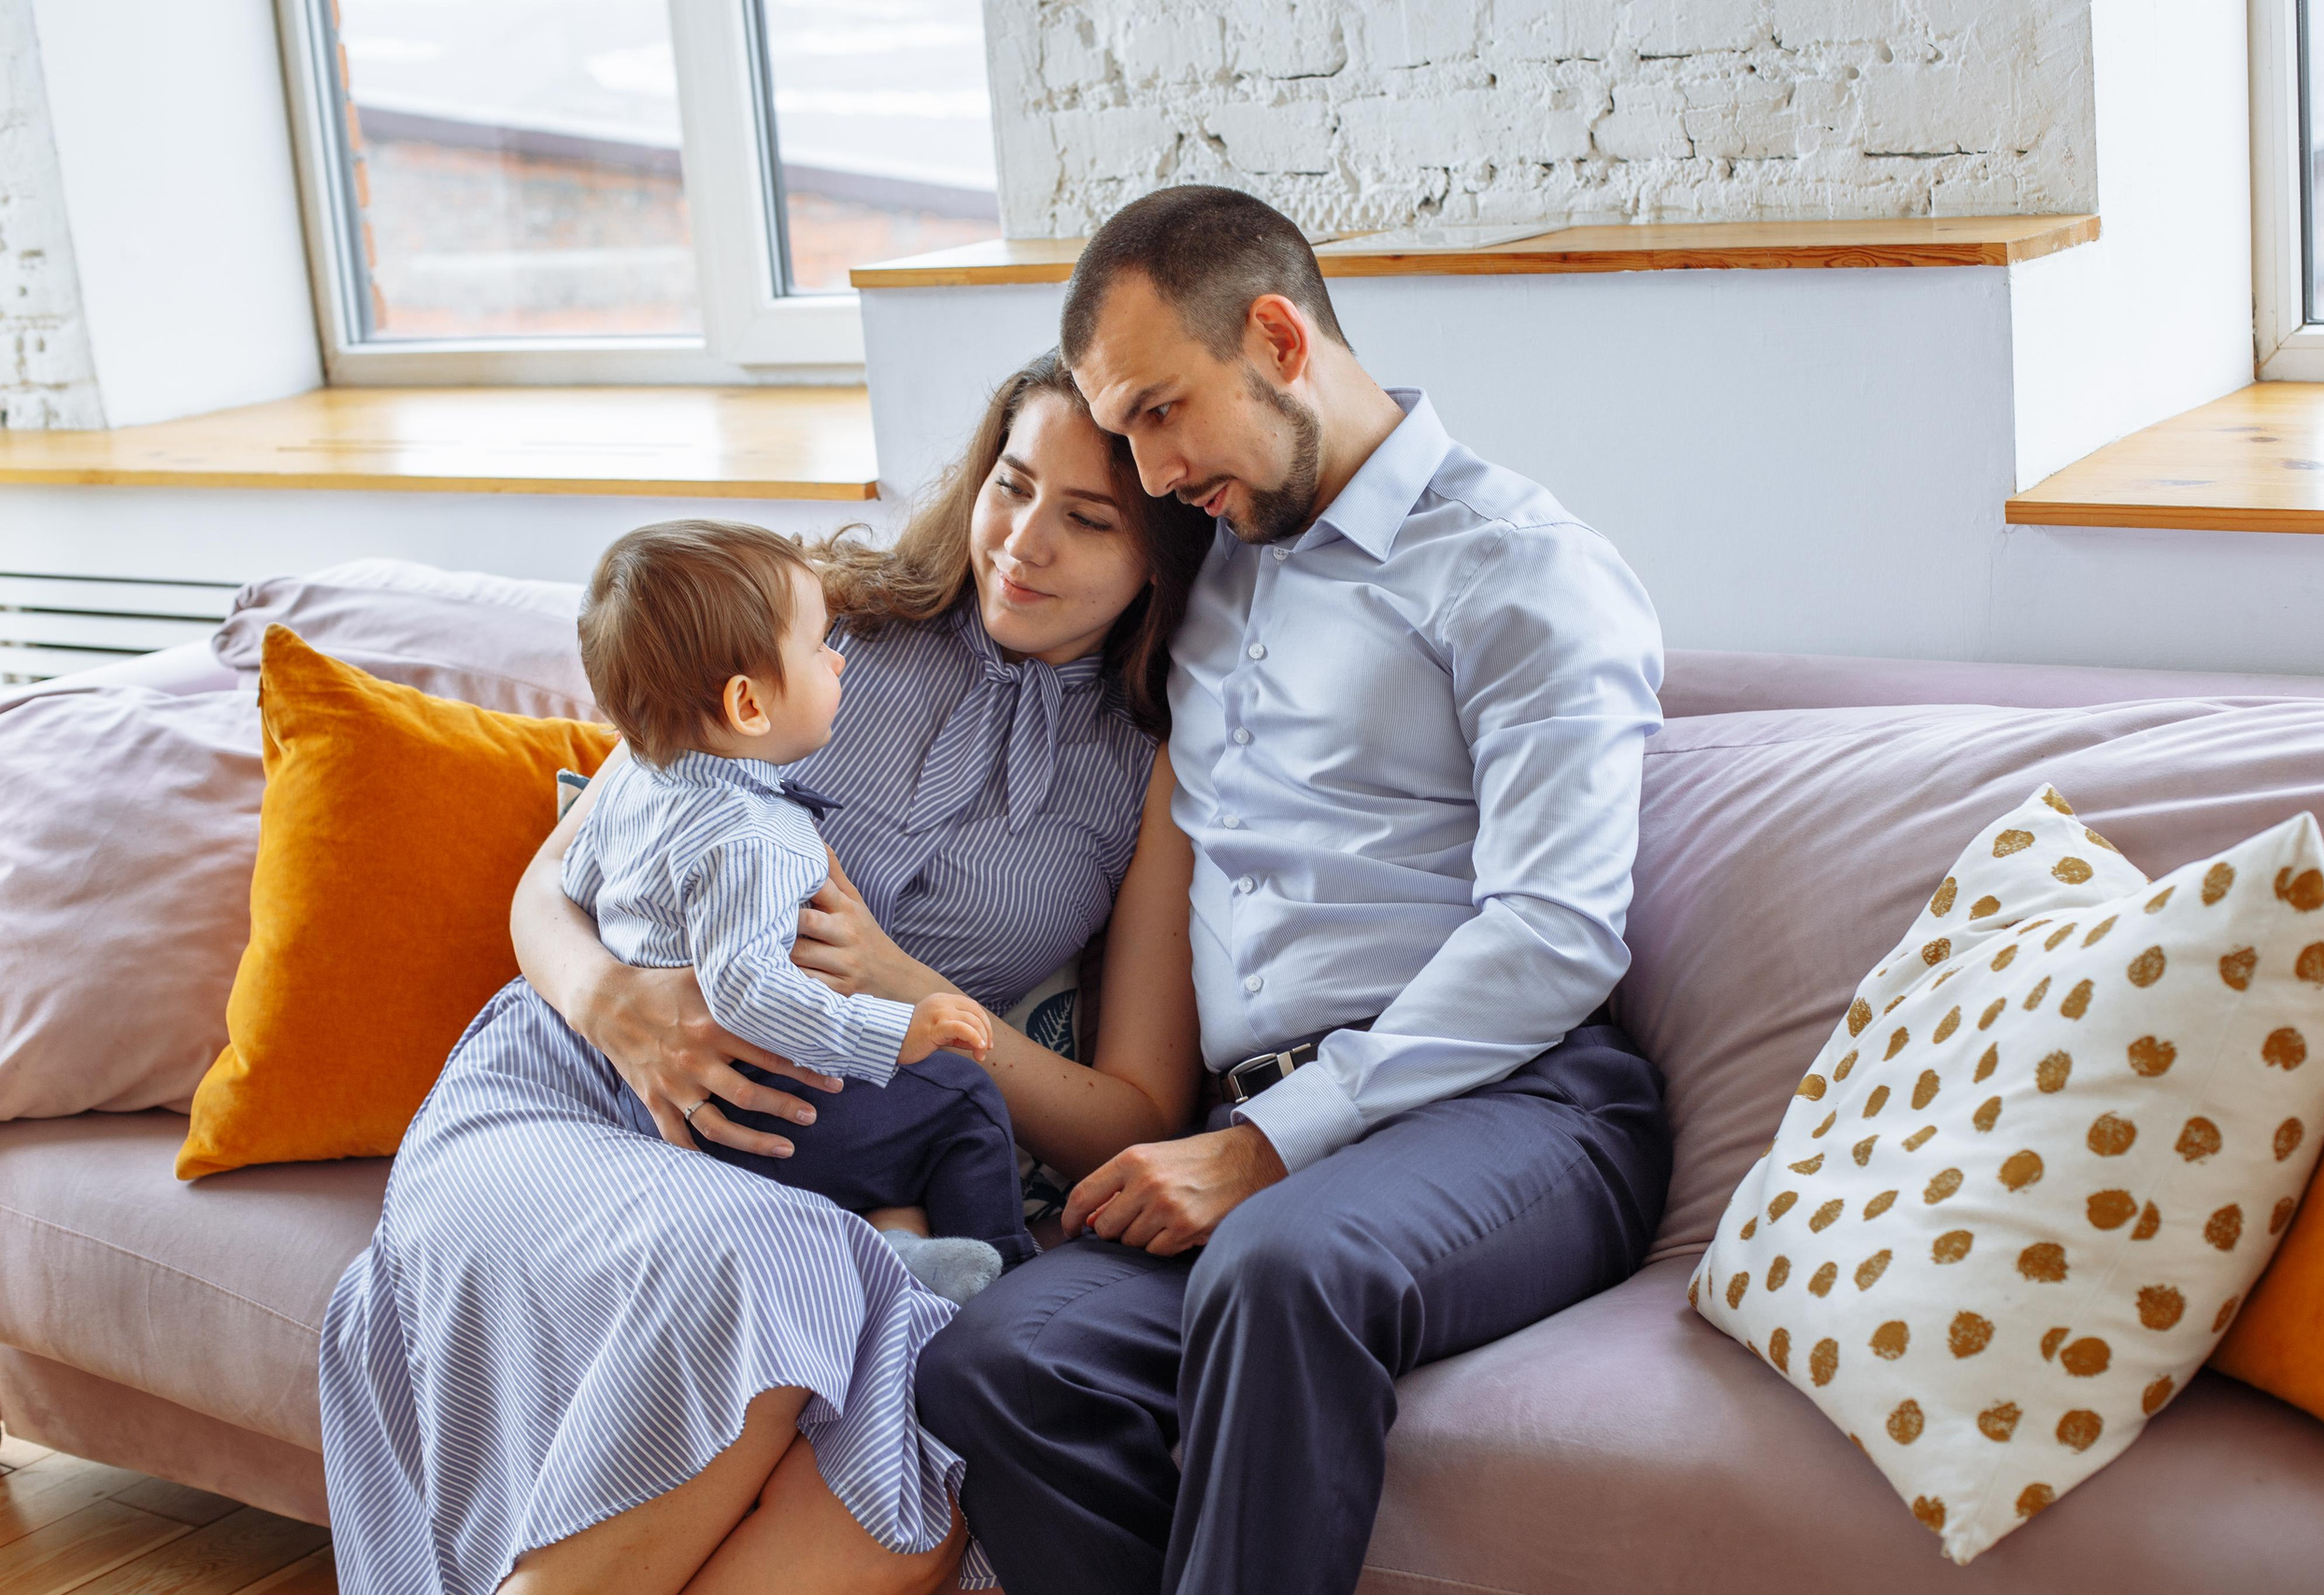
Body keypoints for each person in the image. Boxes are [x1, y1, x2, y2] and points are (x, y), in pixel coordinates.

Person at [317, 350, 1211, 1595]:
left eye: (1089, 517)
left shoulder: (1152, 766)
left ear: (1162, 557)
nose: (1023, 540)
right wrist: (611, 1004)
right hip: (572, 1082)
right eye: (1011, 484)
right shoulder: (814, 618)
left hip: (833, 1150)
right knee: (782, 1272)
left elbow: (1140, 1112)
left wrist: (909, 992)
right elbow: (553, 880)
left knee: (915, 1455)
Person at [917, 184, 1676, 1595]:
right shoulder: (1210, 561)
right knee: (994, 1358)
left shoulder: (1520, 568)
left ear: (1276, 335)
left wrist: (1270, 1142)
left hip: (1517, 1103)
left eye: (1159, 411)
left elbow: (1557, 930)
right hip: (1256, 1131)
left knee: (1279, 1267)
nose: (1146, 473)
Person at [562, 519, 1020, 1297]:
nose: (838, 659)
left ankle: (879, 1256)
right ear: (746, 704)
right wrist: (896, 1033)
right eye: (817, 649)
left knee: (885, 1128)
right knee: (962, 1100)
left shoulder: (636, 783)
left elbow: (577, 882)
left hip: (646, 1097)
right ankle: (1010, 1290)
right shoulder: (753, 837)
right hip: (752, 1105)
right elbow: (749, 990)